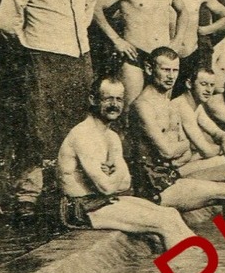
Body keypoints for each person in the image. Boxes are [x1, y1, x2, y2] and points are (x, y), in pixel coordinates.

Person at [0, 0, 98, 209]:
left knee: (77, 124)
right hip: (42, 58)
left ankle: (70, 192)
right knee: (37, 127)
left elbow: (88, 10)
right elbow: (5, 21)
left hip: (79, 57)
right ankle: (28, 195)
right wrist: (31, 46)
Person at [55, 75, 197, 253]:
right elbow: (107, 187)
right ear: (93, 100)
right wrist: (117, 175)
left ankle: (194, 264)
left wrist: (115, 176)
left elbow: (125, 183)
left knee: (171, 214)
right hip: (81, 208)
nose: (114, 105)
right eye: (108, 99)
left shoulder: (111, 136)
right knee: (164, 222)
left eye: (119, 99)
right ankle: (185, 271)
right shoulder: (83, 135)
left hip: (102, 201)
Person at [128, 47, 225, 227]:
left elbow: (177, 152)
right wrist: (183, 146)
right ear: (148, 68)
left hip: (170, 174)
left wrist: (181, 148)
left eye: (174, 70)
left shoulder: (166, 102)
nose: (170, 76)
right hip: (155, 187)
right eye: (165, 70)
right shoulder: (143, 106)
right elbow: (168, 152)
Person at [91, 0, 178, 104]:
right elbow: (95, 7)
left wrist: (177, 41)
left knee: (161, 106)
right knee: (130, 107)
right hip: (135, 55)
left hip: (162, 56)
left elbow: (184, 12)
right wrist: (117, 40)